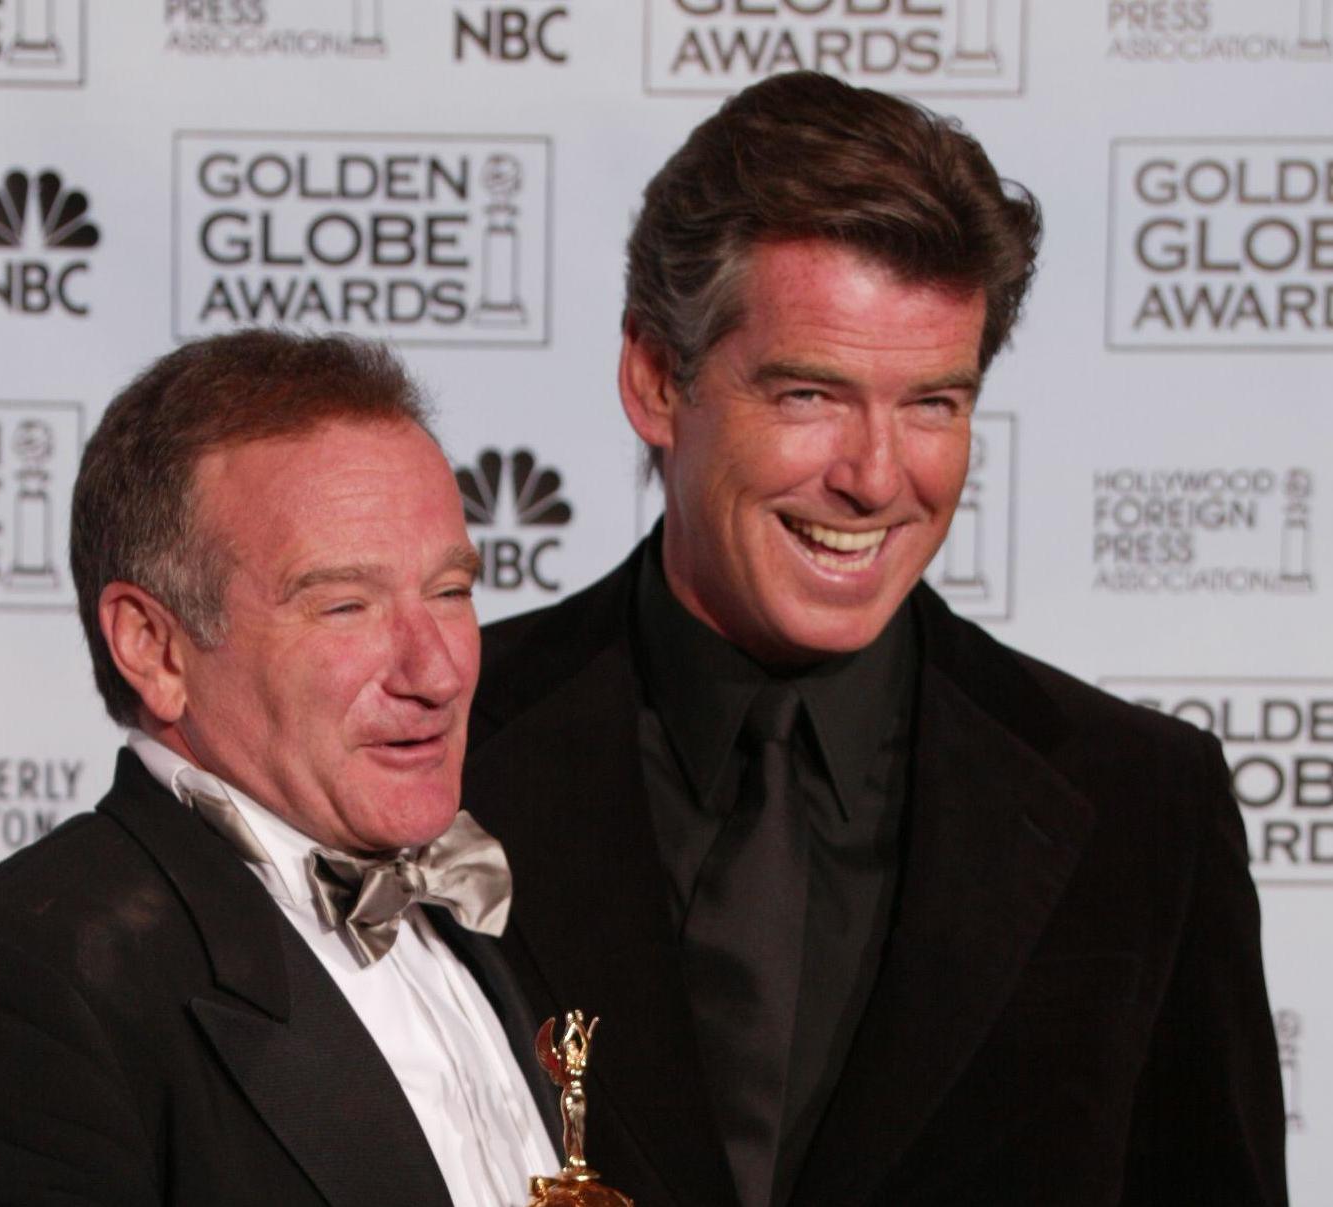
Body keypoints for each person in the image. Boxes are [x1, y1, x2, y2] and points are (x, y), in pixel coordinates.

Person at [464, 71, 1286, 1207]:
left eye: (932, 405)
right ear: (657, 379)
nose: (874, 477)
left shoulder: (1141, 808)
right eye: (808, 395)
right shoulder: (432, 749)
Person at [0, 330, 560, 1207]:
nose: (435, 671)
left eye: (450, 591)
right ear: (153, 646)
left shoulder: (483, 921)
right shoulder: (10, 1000)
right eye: (345, 606)